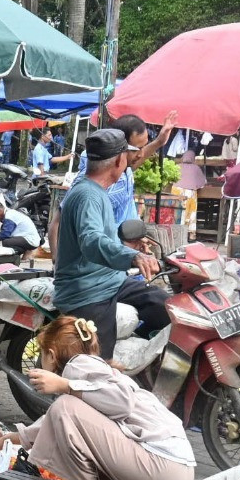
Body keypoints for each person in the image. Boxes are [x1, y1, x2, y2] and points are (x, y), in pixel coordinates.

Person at [0, 316, 194, 480]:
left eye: (41, 354)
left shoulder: (77, 366)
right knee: (70, 412)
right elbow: (68, 421)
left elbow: (118, 403)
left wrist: (65, 385)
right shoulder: (97, 371)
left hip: (160, 469)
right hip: (179, 473)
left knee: (64, 407)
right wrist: (14, 438)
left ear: (51, 355)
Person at [54, 129, 167, 358]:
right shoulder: (87, 195)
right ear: (118, 160)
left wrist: (128, 244)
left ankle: (137, 359)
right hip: (88, 290)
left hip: (112, 280)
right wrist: (132, 257)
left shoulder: (97, 191)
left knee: (167, 307)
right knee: (98, 366)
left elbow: (99, 235)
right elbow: (91, 240)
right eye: (127, 155)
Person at [77, 112, 179, 223]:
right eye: (137, 149)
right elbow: (63, 218)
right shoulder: (93, 184)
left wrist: (159, 141)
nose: (141, 154)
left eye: (143, 146)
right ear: (121, 147)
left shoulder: (125, 168)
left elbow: (137, 159)